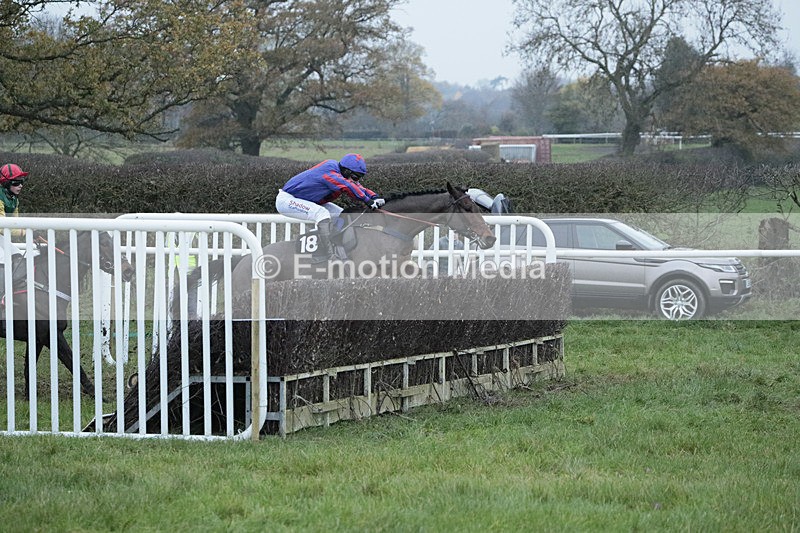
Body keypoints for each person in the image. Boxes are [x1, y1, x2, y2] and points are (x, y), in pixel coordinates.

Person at [276, 153, 385, 261]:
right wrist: (368, 201)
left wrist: (374, 196)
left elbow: (358, 187)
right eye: (355, 177)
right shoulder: (329, 170)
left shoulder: (342, 174)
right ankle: (329, 256)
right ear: (346, 171)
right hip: (287, 200)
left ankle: (337, 247)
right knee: (321, 214)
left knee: (343, 215)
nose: (356, 181)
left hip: (305, 200)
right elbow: (348, 186)